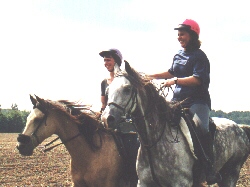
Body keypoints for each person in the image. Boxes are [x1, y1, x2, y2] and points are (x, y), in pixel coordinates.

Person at [148, 19, 221, 185]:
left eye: (182, 34)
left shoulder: (200, 57)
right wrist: (151, 76)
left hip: (197, 101)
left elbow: (197, 80)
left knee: (202, 127)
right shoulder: (178, 55)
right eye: (178, 34)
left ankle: (209, 167)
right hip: (178, 100)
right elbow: (171, 72)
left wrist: (175, 81)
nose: (179, 37)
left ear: (193, 36)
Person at [99, 48, 123, 114]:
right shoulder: (104, 82)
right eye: (104, 61)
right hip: (110, 117)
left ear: (116, 61)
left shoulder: (125, 79)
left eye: (108, 60)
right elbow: (104, 104)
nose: (106, 63)